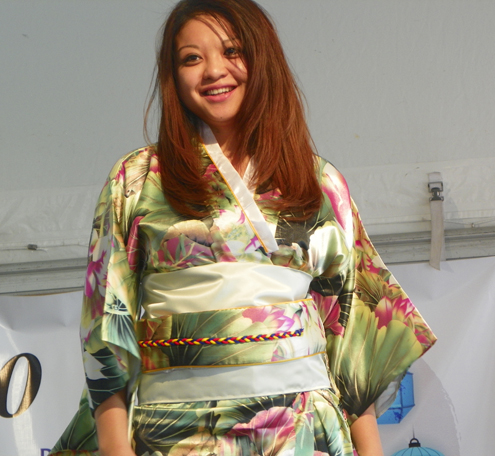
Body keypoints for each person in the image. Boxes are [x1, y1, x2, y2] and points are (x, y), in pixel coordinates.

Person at [49, 1, 436, 455]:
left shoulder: (318, 182)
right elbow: (105, 334)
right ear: (173, 75)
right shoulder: (136, 180)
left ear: (262, 58)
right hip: (175, 434)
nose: (214, 70)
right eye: (191, 58)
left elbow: (351, 343)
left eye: (232, 51)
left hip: (301, 434)